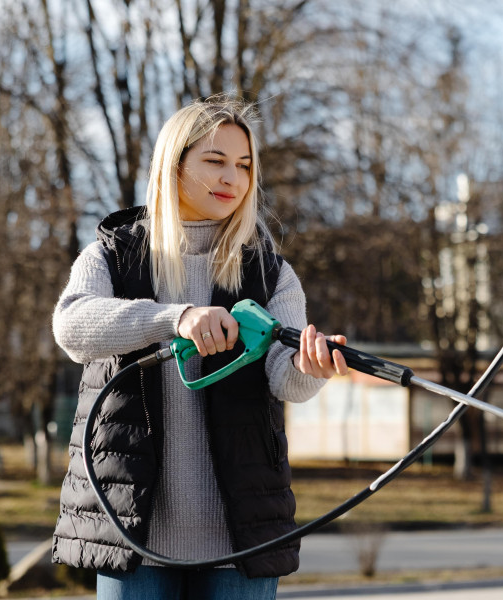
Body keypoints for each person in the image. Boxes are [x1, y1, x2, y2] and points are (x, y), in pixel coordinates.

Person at [50, 96, 348, 599]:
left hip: (239, 538)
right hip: (132, 535)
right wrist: (175, 318)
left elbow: (286, 379)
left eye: (244, 165)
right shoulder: (112, 254)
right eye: (215, 160)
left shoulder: (268, 270)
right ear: (174, 163)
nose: (232, 177)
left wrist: (311, 365)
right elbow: (72, 326)